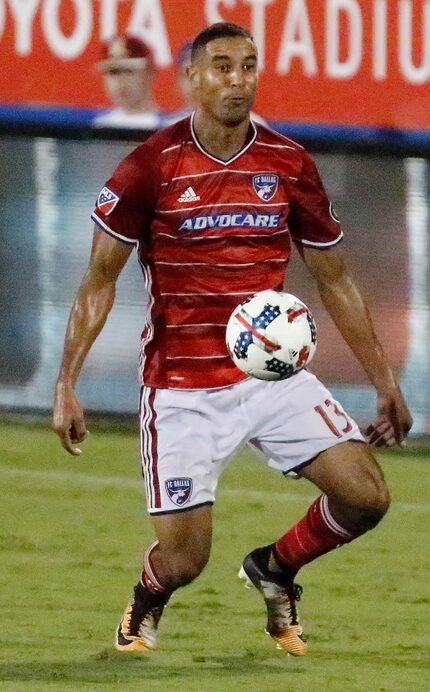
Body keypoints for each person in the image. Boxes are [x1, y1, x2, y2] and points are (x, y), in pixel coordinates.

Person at [53, 22, 412, 657]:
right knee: (186, 560)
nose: (237, 80)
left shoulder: (288, 163)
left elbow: (336, 278)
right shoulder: (149, 166)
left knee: (366, 496)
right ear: (191, 78)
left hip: (272, 376)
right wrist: (66, 384)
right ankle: (147, 597)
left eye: (248, 66)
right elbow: (97, 281)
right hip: (183, 388)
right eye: (222, 67)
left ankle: (275, 568)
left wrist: (386, 384)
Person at [93, 35, 168, 130]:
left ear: (150, 73)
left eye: (129, 71)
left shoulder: (169, 129)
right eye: (113, 72)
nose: (120, 81)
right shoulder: (98, 127)